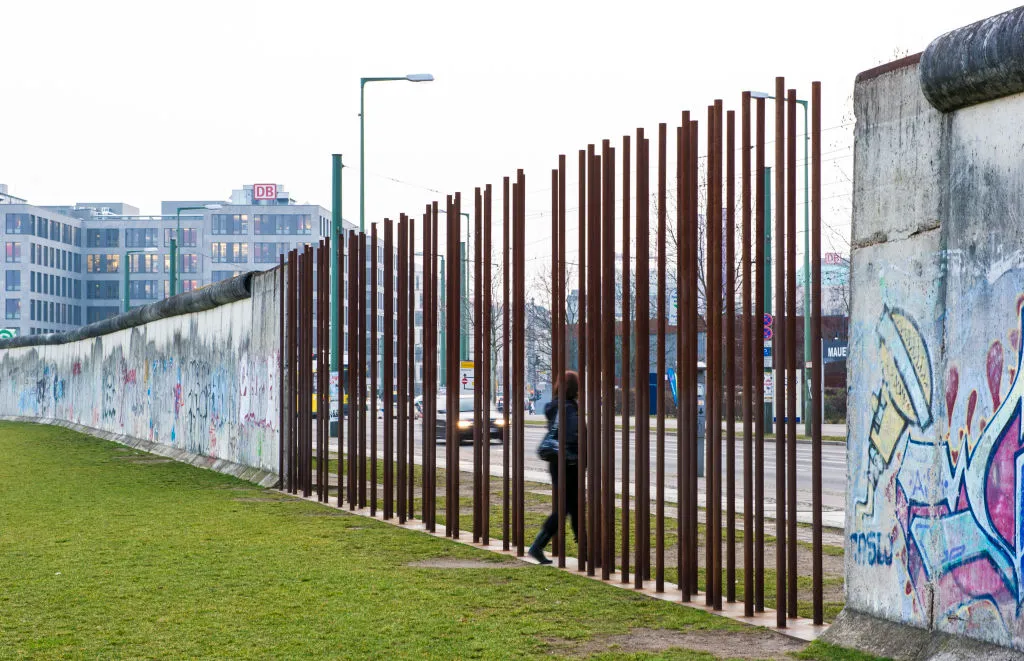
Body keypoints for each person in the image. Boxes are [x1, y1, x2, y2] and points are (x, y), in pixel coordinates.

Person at [528, 371, 579, 564]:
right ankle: (537, 546)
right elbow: (573, 435)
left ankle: (586, 549)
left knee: (574, 506)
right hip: (568, 463)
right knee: (565, 507)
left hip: (558, 463)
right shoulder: (568, 408)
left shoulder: (557, 406)